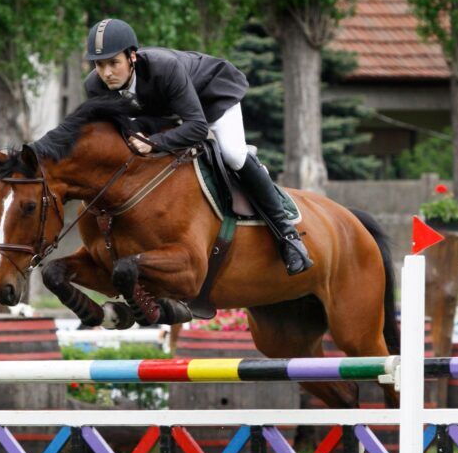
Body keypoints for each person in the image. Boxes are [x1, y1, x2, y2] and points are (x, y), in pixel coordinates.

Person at [83, 18, 314, 275]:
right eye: (99, 65)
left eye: (114, 63)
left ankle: (288, 236)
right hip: (168, 110)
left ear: (132, 57)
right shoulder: (95, 86)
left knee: (233, 155)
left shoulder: (163, 68)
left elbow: (198, 128)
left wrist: (155, 143)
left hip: (211, 97)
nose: (106, 73)